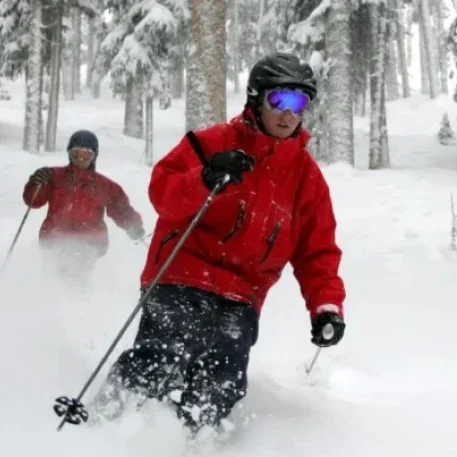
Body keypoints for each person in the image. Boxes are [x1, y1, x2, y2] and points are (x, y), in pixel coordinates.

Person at [92, 53, 347, 434]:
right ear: (257, 99)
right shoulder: (211, 143)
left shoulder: (306, 178)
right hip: (182, 274)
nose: (289, 113)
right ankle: (106, 426)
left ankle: (191, 439)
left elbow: (317, 251)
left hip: (243, 295)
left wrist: (326, 306)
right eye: (280, 100)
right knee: (163, 355)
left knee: (223, 375)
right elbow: (162, 192)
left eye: (300, 103)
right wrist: (206, 178)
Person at [23, 129, 146, 280]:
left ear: (94, 157)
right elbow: (33, 201)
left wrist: (132, 225)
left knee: (77, 281)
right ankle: (51, 299)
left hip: (88, 242)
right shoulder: (55, 176)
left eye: (86, 155)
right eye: (76, 154)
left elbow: (120, 208)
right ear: (69, 154)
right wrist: (36, 183)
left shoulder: (103, 185)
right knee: (52, 279)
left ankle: (78, 300)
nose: (81, 159)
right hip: (54, 239)